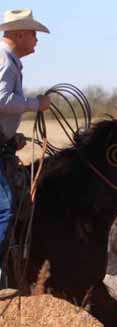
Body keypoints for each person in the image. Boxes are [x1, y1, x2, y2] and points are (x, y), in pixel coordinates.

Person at [0, 9, 51, 283]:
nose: (36, 41)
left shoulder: (9, 60)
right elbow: (2, 100)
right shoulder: (4, 60)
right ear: (19, 34)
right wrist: (36, 105)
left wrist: (11, 138)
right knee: (6, 208)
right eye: (33, 34)